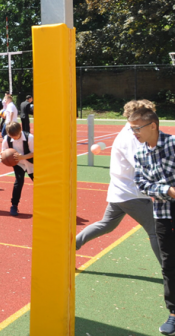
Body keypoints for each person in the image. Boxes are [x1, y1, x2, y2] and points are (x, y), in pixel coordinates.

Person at [75, 100, 161, 264]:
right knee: (155, 231)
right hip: (132, 194)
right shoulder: (131, 137)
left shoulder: (131, 133)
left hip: (121, 191)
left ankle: (70, 247)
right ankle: (170, 274)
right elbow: (143, 165)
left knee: (106, 225)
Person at [130, 105, 175, 335]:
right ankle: (174, 313)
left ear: (153, 125)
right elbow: (143, 184)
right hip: (162, 214)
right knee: (169, 264)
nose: (134, 133)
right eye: (132, 129)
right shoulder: (139, 153)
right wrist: (168, 189)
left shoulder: (173, 143)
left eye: (137, 128)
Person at [0, 122, 34, 216]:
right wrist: (1, 157)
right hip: (18, 163)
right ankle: (14, 205)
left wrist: (22, 157)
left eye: (16, 136)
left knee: (40, 184)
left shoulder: (29, 137)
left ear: (20, 131)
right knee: (18, 182)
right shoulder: (7, 138)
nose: (14, 138)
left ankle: (49, 204)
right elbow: (3, 151)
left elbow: (35, 153)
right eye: (12, 136)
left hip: (31, 162)